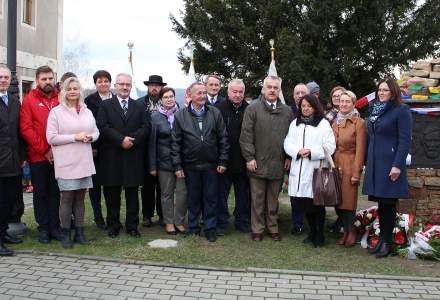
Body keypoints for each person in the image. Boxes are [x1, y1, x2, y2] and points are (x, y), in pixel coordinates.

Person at [171, 82, 229, 242]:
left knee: (211, 198)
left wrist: (223, 161)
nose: (203, 96)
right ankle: (194, 227)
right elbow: (175, 142)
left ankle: (210, 228)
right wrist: (177, 165)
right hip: (190, 165)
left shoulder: (215, 112)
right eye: (199, 93)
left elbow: (223, 138)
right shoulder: (180, 115)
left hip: (211, 165)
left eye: (204, 93)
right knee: (193, 198)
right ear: (190, 94)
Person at [46, 77, 99, 248]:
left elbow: (96, 131)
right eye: (69, 89)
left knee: (80, 198)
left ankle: (80, 232)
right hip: (66, 162)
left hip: (84, 160)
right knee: (67, 198)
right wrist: (74, 137)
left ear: (80, 91)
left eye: (76, 88)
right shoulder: (56, 112)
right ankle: (65, 233)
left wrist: (91, 137)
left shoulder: (86, 110)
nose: (73, 91)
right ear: (63, 91)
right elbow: (51, 137)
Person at [363, 77, 412, 258]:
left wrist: (397, 165)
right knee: (381, 204)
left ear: (393, 92)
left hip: (391, 164)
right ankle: (382, 241)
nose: (381, 93)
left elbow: (405, 140)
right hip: (376, 164)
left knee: (389, 203)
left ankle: (387, 244)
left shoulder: (401, 110)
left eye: (385, 90)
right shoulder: (375, 110)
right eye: (379, 90)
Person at [240, 76, 293, 242]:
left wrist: (289, 157)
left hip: (277, 162)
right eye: (269, 87)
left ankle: (272, 227)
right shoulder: (253, 108)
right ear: (263, 88)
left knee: (273, 199)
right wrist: (249, 157)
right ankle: (257, 229)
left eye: (275, 88)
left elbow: (292, 137)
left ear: (279, 90)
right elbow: (246, 135)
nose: (272, 90)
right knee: (257, 199)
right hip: (257, 162)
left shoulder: (287, 111)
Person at [97, 73, 150, 238]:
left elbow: (146, 127)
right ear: (115, 85)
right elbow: (102, 127)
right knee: (112, 194)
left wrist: (131, 141)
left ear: (131, 86)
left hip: (132, 156)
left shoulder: (139, 106)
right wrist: (121, 140)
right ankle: (113, 225)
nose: (125, 87)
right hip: (112, 156)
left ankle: (132, 226)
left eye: (127, 84)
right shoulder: (105, 105)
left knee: (132, 194)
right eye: (121, 84)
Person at [284, 94, 336, 248]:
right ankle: (311, 232)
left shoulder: (323, 124)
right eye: (303, 106)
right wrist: (297, 151)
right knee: (303, 205)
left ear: (314, 107)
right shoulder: (295, 123)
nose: (305, 109)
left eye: (309, 106)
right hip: (298, 170)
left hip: (315, 170)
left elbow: (330, 146)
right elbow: (287, 142)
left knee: (316, 205)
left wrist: (311, 151)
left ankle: (319, 235)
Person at [20, 65, 61, 244]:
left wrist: (55, 149)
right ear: (37, 81)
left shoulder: (61, 98)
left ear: (54, 79)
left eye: (50, 78)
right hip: (38, 157)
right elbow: (26, 128)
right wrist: (45, 150)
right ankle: (43, 228)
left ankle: (55, 226)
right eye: (43, 79)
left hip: (60, 155)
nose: (47, 82)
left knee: (56, 192)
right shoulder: (29, 99)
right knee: (41, 193)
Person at [149, 87, 187, 235]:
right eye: (166, 97)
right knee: (166, 194)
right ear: (161, 100)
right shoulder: (155, 117)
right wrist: (152, 165)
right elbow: (151, 143)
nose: (169, 99)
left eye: (171, 96)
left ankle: (179, 221)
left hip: (182, 162)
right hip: (164, 162)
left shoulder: (182, 114)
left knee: (183, 192)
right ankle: (169, 222)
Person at [215, 79, 250, 234]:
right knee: (221, 194)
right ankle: (222, 222)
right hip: (224, 160)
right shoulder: (217, 109)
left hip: (243, 161)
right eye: (234, 92)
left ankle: (242, 222)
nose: (237, 95)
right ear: (228, 92)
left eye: (240, 92)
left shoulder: (249, 109)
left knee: (243, 195)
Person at [332, 90, 367, 247]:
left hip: (350, 163)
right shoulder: (335, 122)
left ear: (353, 104)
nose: (344, 104)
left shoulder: (359, 123)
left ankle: (350, 231)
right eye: (341, 101)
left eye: (347, 101)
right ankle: (345, 230)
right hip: (336, 164)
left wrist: (356, 172)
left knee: (349, 202)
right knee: (338, 201)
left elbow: (360, 150)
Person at [0, 65, 25, 256]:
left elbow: (19, 132)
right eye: (0, 77)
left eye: (6, 77)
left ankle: (3, 233)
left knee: (8, 202)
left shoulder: (15, 102)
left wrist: (22, 157)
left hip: (13, 162)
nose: (3, 80)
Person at [84, 70, 113, 230]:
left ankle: (111, 216)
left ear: (110, 83)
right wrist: (93, 147)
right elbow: (88, 124)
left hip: (112, 148)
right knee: (95, 186)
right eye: (99, 81)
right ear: (95, 84)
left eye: (106, 81)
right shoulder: (89, 100)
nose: (103, 84)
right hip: (95, 148)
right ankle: (98, 216)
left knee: (110, 185)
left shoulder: (115, 99)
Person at [138, 75, 167, 227]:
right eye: (151, 85)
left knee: (162, 185)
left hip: (162, 150)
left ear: (161, 88)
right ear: (147, 87)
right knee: (147, 186)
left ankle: (163, 215)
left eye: (157, 85)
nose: (154, 88)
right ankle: (147, 215)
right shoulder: (139, 104)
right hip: (144, 150)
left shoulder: (167, 104)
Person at [289, 83, 310, 234]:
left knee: (308, 192)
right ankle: (297, 222)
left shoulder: (314, 112)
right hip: (292, 157)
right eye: (297, 93)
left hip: (310, 159)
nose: (300, 95)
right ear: (293, 95)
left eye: (303, 92)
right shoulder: (287, 111)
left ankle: (308, 221)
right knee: (294, 193)